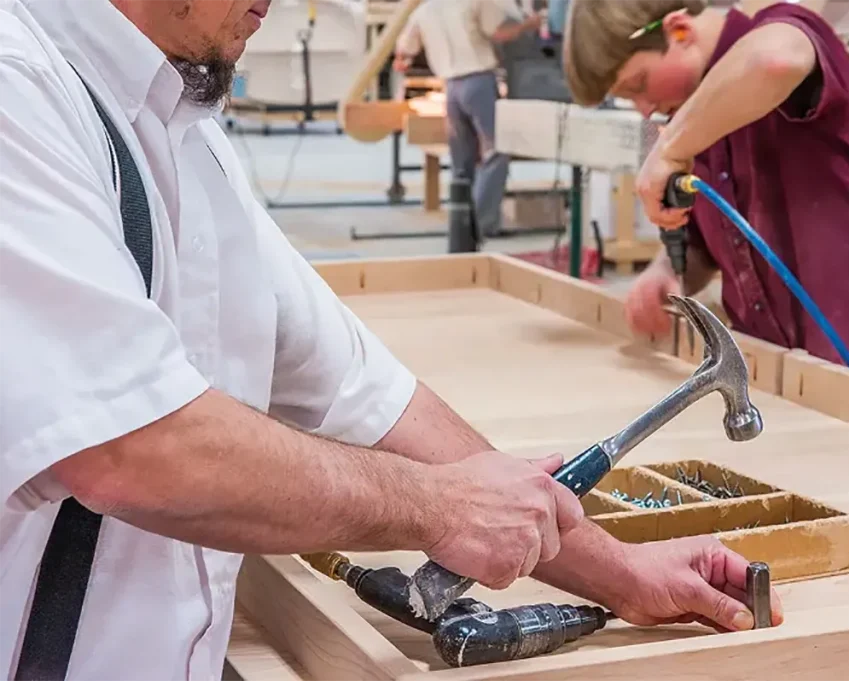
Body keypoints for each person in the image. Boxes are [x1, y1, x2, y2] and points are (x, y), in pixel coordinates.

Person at [0, 0, 782, 677]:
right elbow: (136, 447)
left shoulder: (188, 136)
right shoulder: (20, 89)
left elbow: (363, 392)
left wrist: (621, 574)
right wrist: (436, 508)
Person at [562, 0, 849, 392]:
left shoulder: (783, 36)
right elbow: (718, 238)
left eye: (638, 85)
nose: (644, 110)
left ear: (679, 30)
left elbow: (775, 60)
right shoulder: (693, 119)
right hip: (772, 381)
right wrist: (666, 270)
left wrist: (670, 148)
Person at [393, 0, 541, 238]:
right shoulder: (472, 2)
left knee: (462, 162)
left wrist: (404, 60)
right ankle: (480, 225)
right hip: (478, 81)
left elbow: (403, 51)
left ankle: (459, 223)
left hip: (451, 89)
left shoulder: (424, 10)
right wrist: (529, 25)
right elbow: (499, 33)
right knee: (496, 152)